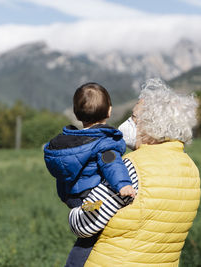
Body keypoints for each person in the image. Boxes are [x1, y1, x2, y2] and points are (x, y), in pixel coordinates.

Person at [69, 78, 201, 266]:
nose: (128, 122)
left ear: (152, 125)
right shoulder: (190, 170)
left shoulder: (131, 168)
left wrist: (76, 211)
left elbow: (86, 222)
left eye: (134, 117)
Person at [43, 82, 137, 266]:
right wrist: (123, 184)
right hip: (89, 197)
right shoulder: (103, 142)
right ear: (109, 111)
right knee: (89, 239)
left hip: (71, 196)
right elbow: (111, 163)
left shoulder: (71, 142)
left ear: (76, 113)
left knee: (90, 233)